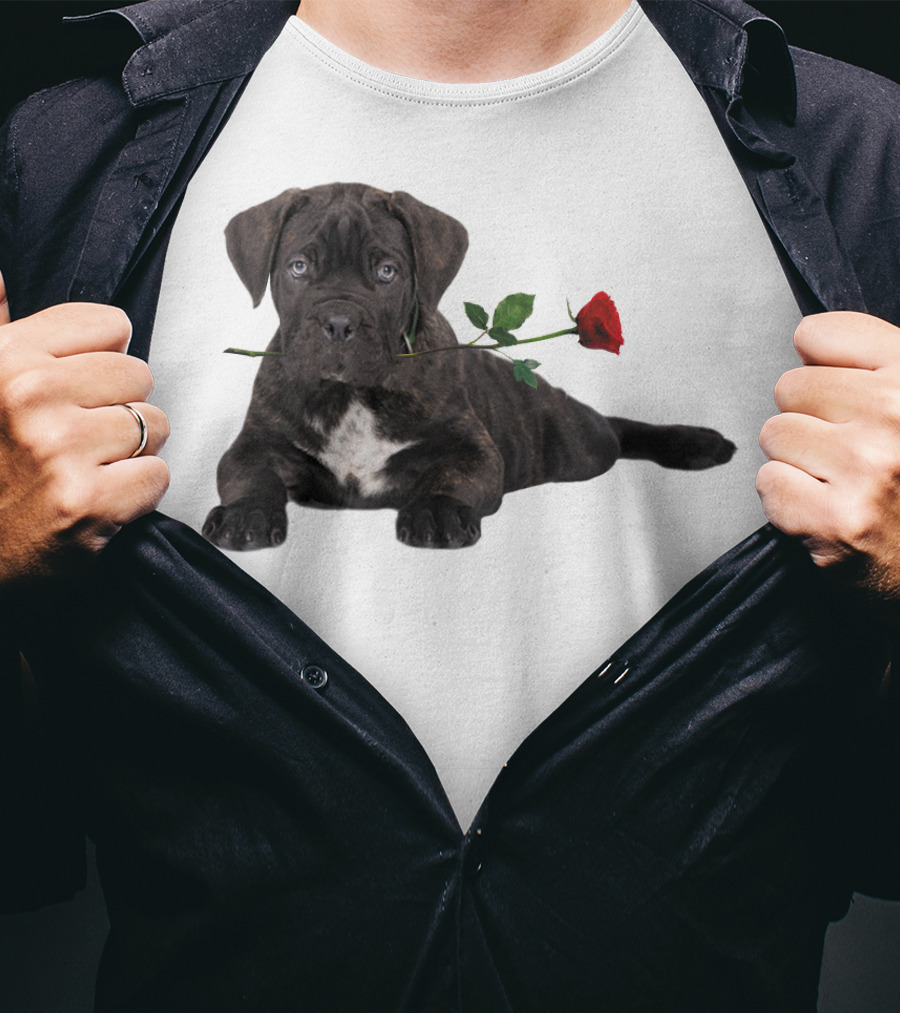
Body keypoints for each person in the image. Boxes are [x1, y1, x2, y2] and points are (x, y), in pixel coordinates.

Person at [1, 0, 899, 1008]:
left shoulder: (861, 153)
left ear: (421, 269)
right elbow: (27, 828)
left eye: (384, 274)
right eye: (304, 274)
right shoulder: (69, 158)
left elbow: (877, 828)